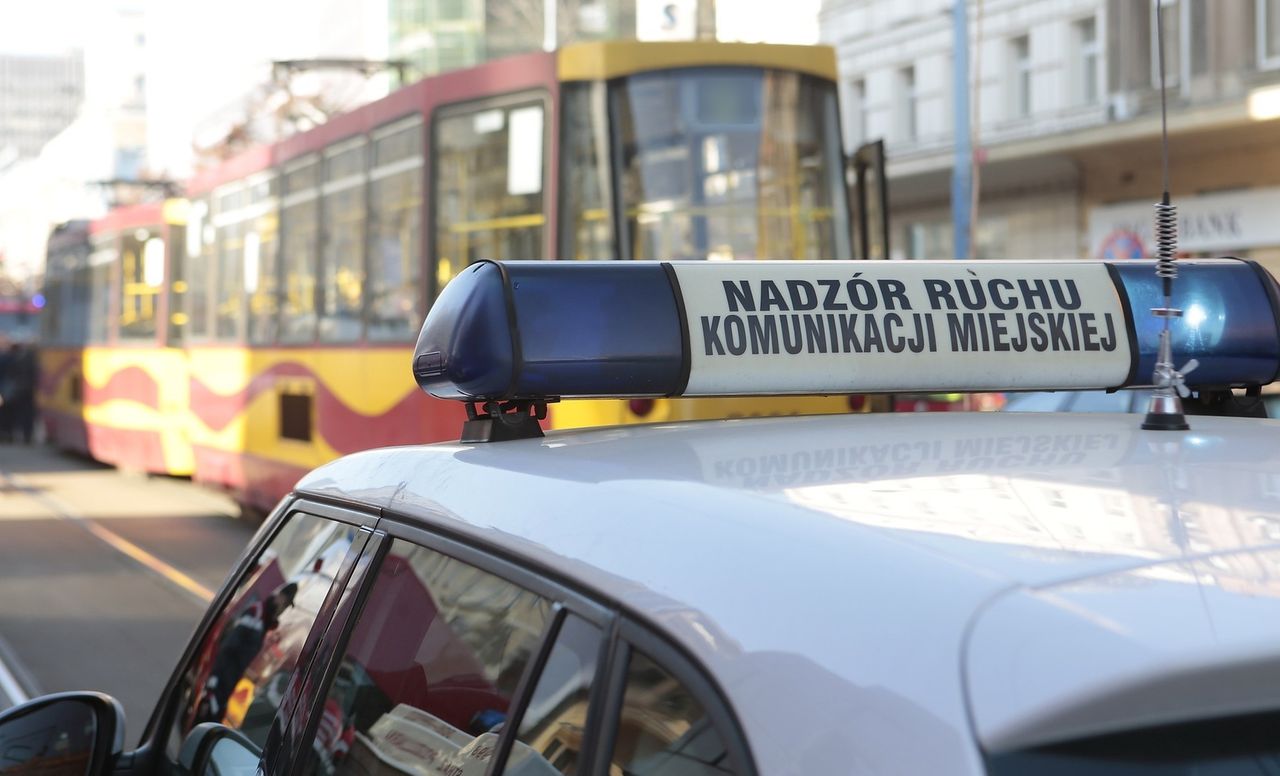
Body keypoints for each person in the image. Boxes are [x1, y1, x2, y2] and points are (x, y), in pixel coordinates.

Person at [195, 581, 298, 725]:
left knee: (213, 719)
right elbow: (228, 647)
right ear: (279, 596)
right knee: (206, 719)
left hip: (229, 684)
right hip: (221, 682)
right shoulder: (255, 613)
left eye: (287, 606)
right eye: (285, 603)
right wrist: (213, 684)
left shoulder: (264, 622)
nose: (284, 608)